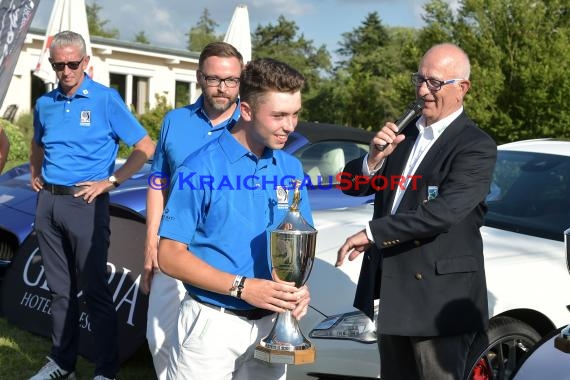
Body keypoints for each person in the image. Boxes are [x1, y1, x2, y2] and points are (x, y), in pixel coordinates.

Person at [336, 43, 497, 380]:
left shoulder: (475, 145)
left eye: (434, 83)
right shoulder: (402, 134)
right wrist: (373, 159)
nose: (423, 90)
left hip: (439, 301)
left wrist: (371, 233)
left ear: (462, 88)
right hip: (394, 293)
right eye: (419, 80)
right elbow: (350, 184)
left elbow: (443, 212)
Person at [157, 58, 311, 380]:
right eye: (279, 115)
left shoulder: (291, 169)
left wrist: (299, 289)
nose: (291, 125)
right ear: (247, 111)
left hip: (272, 327)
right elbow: (169, 256)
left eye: (295, 113)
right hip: (211, 325)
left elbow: (296, 249)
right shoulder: (198, 168)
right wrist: (242, 287)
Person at [29, 31, 155, 380]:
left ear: (86, 63)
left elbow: (146, 146)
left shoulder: (105, 100)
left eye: (72, 63)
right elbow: (37, 141)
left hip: (86, 204)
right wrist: (36, 172)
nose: (66, 71)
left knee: (95, 288)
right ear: (52, 65)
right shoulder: (45, 103)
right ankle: (62, 363)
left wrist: (112, 181)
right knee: (59, 290)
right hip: (48, 203)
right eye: (59, 65)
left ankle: (106, 370)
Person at [144, 41, 243, 380]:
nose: (223, 88)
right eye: (214, 79)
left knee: (211, 343)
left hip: (223, 251)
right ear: (200, 77)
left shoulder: (251, 125)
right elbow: (158, 183)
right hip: (174, 245)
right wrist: (150, 244)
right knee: (158, 337)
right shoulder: (175, 121)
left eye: (231, 80)